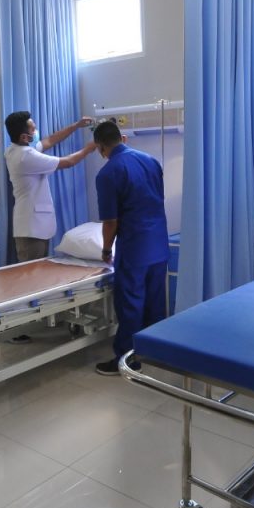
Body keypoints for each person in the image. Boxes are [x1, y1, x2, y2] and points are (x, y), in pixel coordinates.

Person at [91, 121, 169, 375]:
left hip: (135, 247)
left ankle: (127, 361)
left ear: (100, 147)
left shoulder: (108, 173)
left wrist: (106, 250)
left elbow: (110, 221)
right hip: (159, 243)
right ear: (122, 138)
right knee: (155, 302)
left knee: (131, 305)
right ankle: (155, 353)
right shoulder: (151, 161)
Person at [3, 110, 96, 262]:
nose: (36, 131)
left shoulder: (13, 150)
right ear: (24, 137)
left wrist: (76, 126)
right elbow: (68, 162)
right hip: (32, 230)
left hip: (31, 226)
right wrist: (89, 148)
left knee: (37, 271)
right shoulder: (26, 157)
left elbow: (50, 140)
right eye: (33, 129)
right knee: (33, 273)